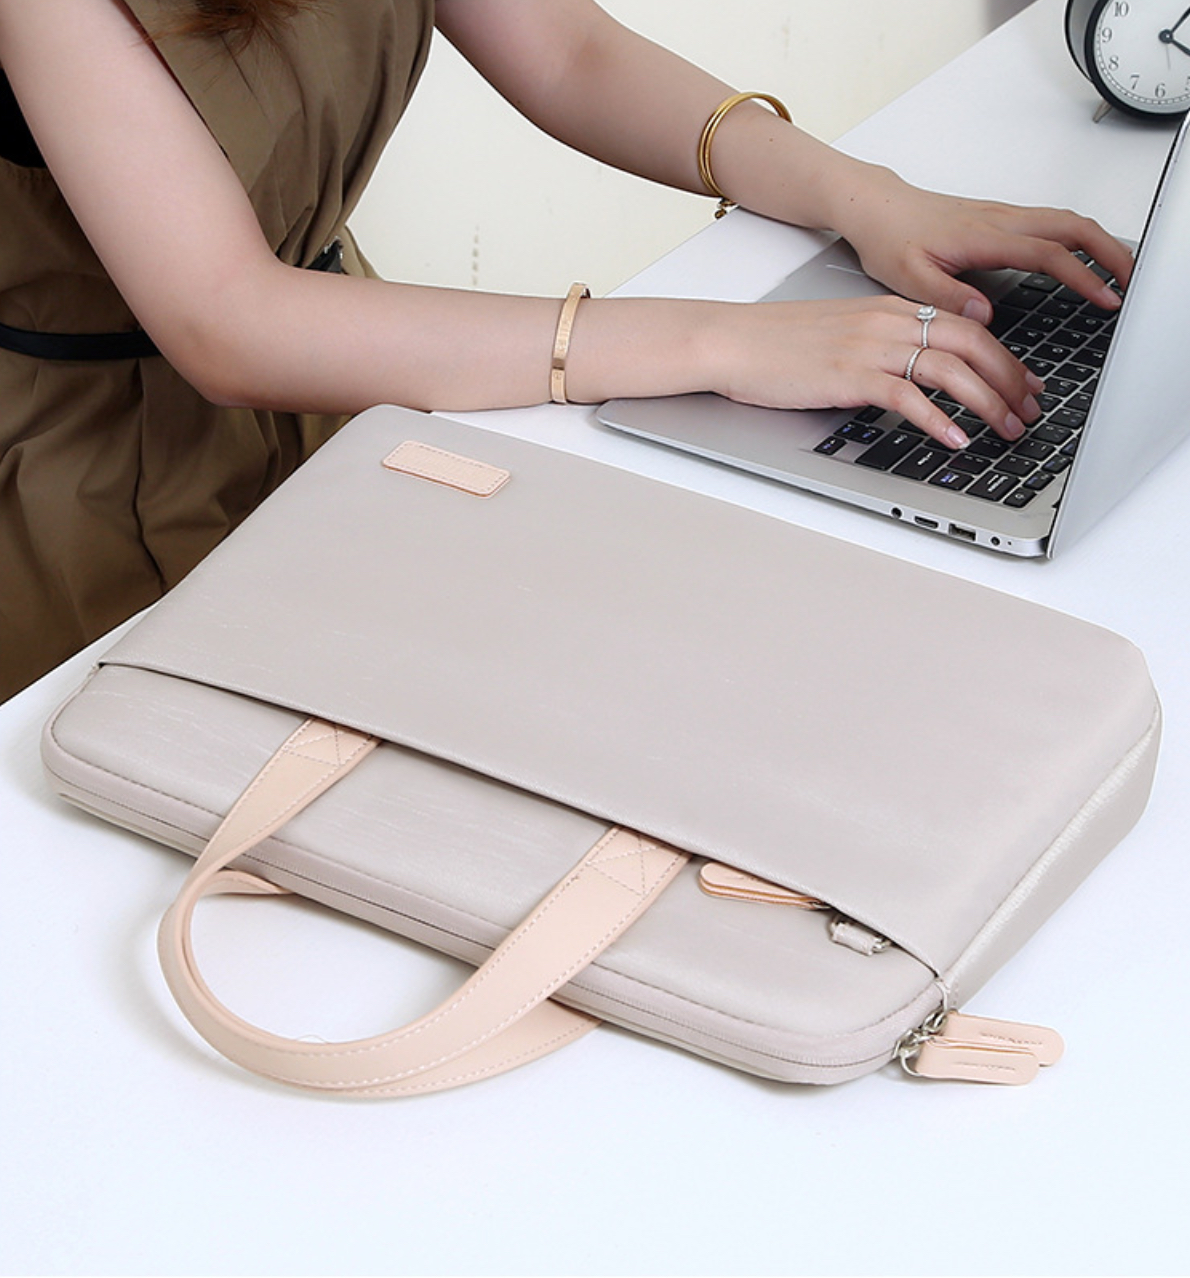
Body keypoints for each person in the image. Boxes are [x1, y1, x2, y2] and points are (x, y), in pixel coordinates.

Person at [0, 0, 1133, 702]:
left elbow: (569, 53)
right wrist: (719, 340)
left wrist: (862, 195)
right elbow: (228, 321)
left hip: (350, 379)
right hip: (95, 480)